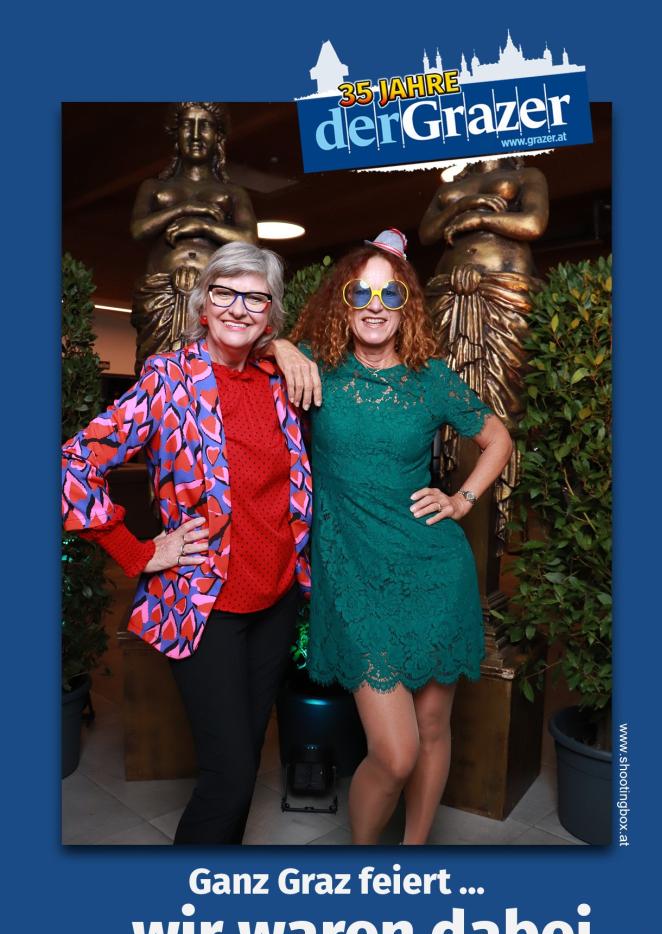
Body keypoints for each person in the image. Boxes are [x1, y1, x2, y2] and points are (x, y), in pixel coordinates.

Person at [62, 243, 311, 845]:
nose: (239, 308)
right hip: (207, 606)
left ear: (271, 314)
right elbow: (72, 465)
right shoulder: (168, 380)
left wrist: (284, 348)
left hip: (277, 601)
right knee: (229, 778)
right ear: (204, 304)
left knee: (243, 768)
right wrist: (140, 552)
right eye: (225, 293)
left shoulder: (281, 382)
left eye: (256, 298)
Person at [271, 229, 513, 846]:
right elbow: (236, 344)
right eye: (361, 293)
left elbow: (498, 439)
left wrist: (461, 500)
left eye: (390, 294)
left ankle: (411, 855)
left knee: (432, 728)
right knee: (395, 751)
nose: (375, 306)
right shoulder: (315, 368)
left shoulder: (431, 380)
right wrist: (281, 342)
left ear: (407, 306)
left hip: (433, 569)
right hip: (353, 574)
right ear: (342, 303)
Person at [419, 158, 549, 549]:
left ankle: (495, 535)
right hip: (447, 296)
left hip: (505, 294)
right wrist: (467, 205)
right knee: (446, 406)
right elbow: (427, 233)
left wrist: (476, 220)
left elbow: (532, 224)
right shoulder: (453, 182)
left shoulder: (526, 174)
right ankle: (450, 517)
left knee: (502, 407)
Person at [130, 102, 258, 372]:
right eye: (188, 125)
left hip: (214, 297)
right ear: (176, 134)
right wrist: (185, 208)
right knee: (155, 373)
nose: (196, 134)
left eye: (205, 125)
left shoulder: (233, 193)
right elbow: (138, 229)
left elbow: (249, 240)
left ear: (218, 136)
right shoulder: (153, 187)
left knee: (211, 373)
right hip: (161, 293)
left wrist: (202, 226)